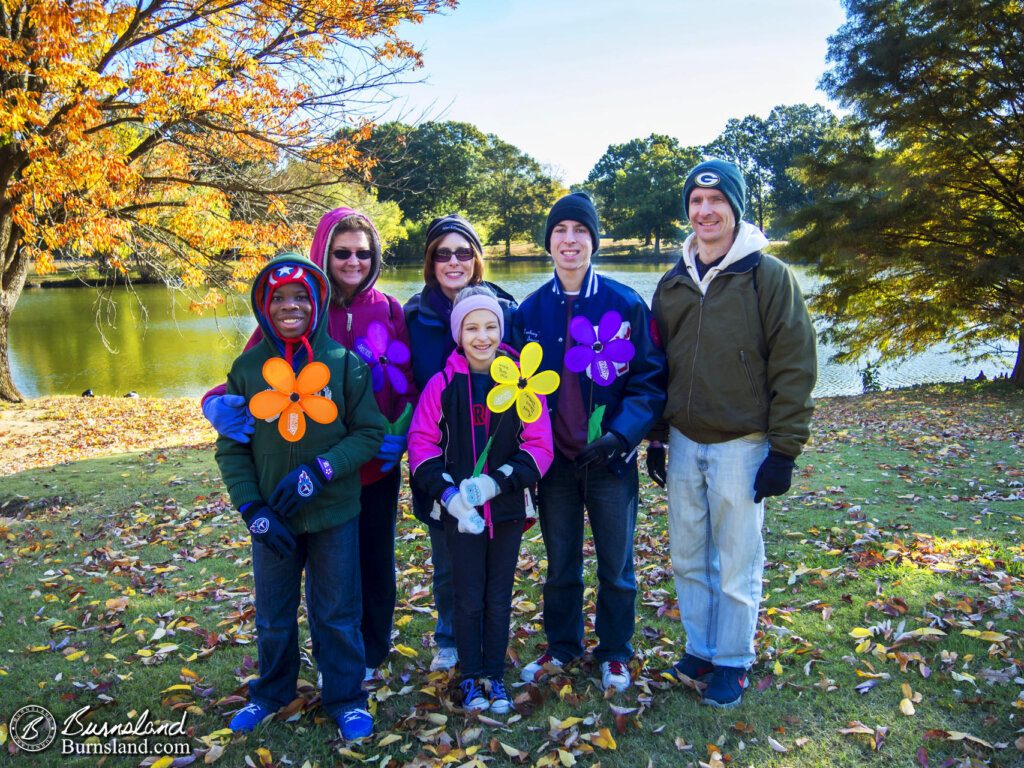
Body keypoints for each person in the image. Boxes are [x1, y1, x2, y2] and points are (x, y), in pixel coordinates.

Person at [202, 208, 416, 682]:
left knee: (374, 565)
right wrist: (212, 403)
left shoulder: (389, 309)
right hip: (307, 473)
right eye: (342, 252)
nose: (353, 261)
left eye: (363, 252)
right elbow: (247, 375)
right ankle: (319, 665)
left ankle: (367, 658)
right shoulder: (294, 306)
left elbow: (408, 385)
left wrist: (398, 432)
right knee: (322, 577)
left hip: (370, 466)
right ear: (324, 251)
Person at [650, 159, 816, 708]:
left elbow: (794, 365)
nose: (705, 212)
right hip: (683, 441)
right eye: (696, 204)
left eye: (715, 201)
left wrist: (785, 450)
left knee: (737, 557)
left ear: (734, 208)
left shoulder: (767, 277)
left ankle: (733, 659)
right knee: (689, 555)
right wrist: (655, 435)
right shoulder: (673, 282)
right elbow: (659, 365)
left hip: (742, 445)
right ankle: (700, 647)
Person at [214, 253, 384, 740]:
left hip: (333, 516)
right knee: (272, 613)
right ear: (264, 307)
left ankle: (346, 697)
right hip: (274, 519)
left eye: (301, 298)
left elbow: (369, 432)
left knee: (337, 612)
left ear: (318, 302)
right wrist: (252, 510)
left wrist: (320, 470)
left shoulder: (344, 364)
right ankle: (271, 692)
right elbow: (232, 449)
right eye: (279, 299)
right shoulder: (247, 369)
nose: (291, 307)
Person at [513, 193, 666, 693]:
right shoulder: (530, 311)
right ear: (550, 242)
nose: (570, 240)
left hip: (610, 461)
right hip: (554, 466)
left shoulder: (624, 304)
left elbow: (648, 381)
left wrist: (622, 434)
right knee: (561, 564)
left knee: (616, 565)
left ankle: (616, 652)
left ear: (593, 240)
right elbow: (515, 388)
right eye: (560, 231)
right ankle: (562, 647)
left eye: (580, 230)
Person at [408, 285, 553, 714]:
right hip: (461, 517)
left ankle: (494, 673)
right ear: (458, 333)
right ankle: (470, 675)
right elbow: (421, 445)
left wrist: (498, 483)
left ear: (501, 329)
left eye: (491, 326)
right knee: (467, 594)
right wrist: (450, 496)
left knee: (498, 594)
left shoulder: (522, 386)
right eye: (472, 327)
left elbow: (539, 447)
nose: (482, 336)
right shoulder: (443, 384)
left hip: (505, 511)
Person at [403, 214, 519, 673]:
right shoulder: (413, 314)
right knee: (447, 554)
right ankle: (450, 636)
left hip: (497, 458)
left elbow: (524, 377)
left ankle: (489, 641)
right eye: (443, 253)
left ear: (477, 258)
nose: (454, 261)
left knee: (493, 558)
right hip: (441, 455)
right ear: (431, 262)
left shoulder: (507, 308)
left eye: (463, 252)